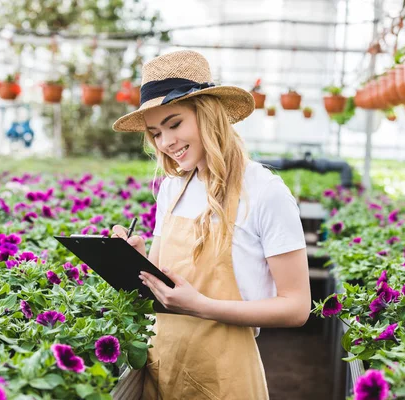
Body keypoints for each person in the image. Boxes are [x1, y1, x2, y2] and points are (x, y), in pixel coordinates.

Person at [111, 50, 310, 400]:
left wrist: (201, 306)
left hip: (224, 377)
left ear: (208, 115)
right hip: (162, 365)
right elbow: (161, 285)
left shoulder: (264, 191)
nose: (166, 142)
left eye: (175, 124)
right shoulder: (173, 188)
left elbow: (296, 307)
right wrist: (136, 262)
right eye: (156, 133)